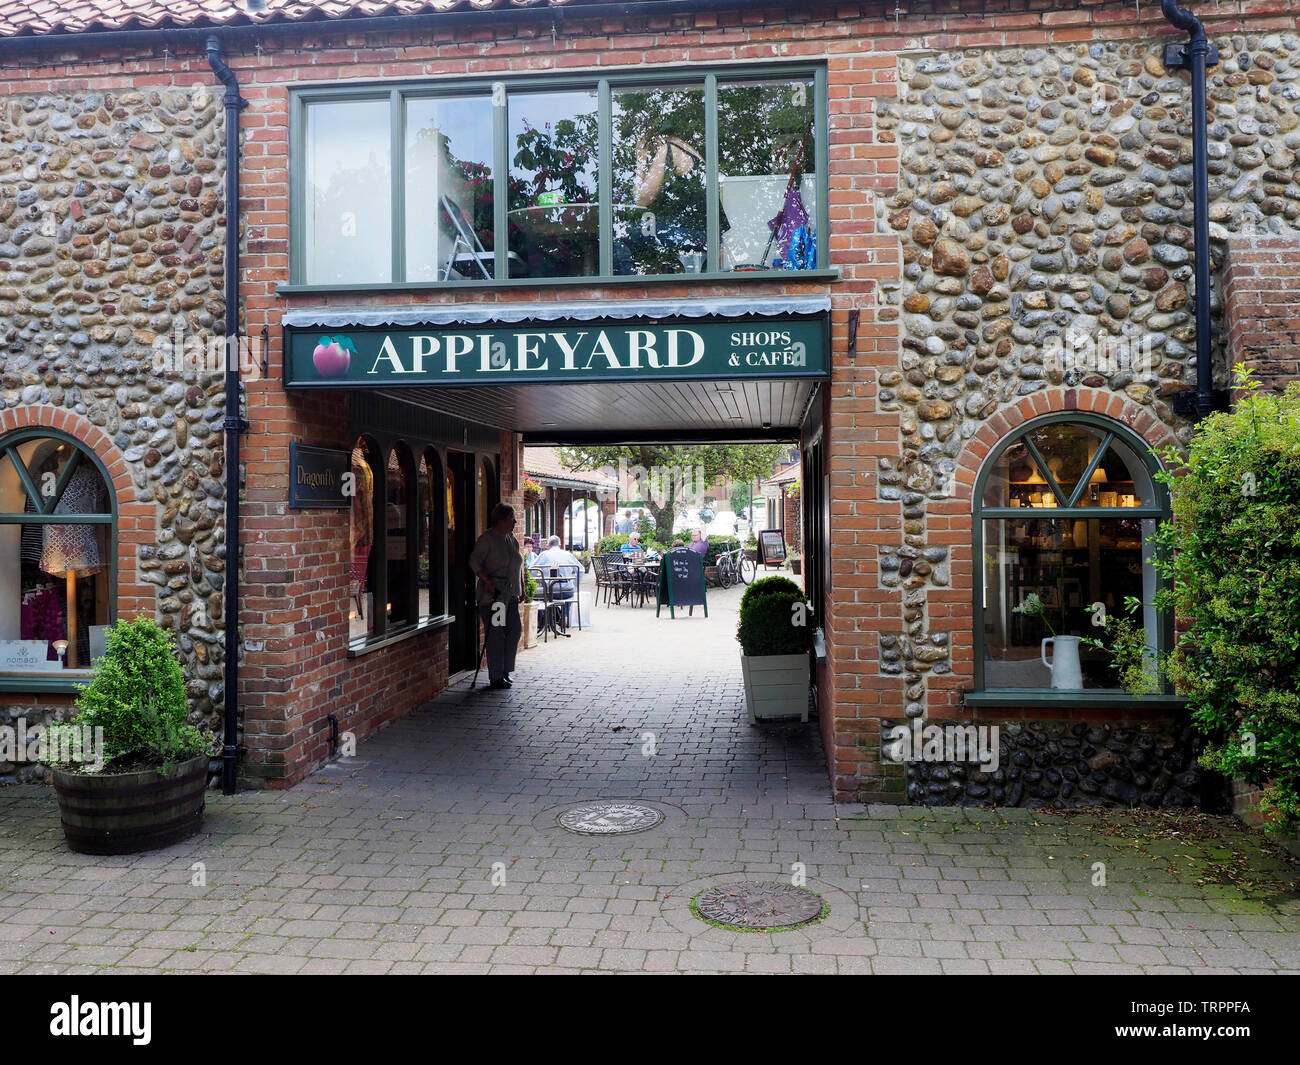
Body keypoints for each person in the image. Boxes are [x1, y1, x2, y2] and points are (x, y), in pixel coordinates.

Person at [468, 502, 524, 690]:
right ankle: (496, 675)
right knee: (497, 634)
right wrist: (486, 581)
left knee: (515, 630)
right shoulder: (488, 539)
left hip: (510, 595)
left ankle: (506, 670)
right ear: (500, 520)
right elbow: (474, 561)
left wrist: (521, 587)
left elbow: (518, 565)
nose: (515, 521)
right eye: (511, 518)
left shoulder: (511, 539)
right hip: (496, 597)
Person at [533, 534, 583, 628]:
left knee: (535, 595)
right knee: (570, 592)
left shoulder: (544, 555)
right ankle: (564, 616)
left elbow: (531, 570)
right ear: (559, 545)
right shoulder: (568, 554)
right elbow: (581, 570)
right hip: (566, 591)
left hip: (549, 591)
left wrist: (536, 581)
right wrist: (575, 584)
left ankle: (544, 618)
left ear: (548, 545)